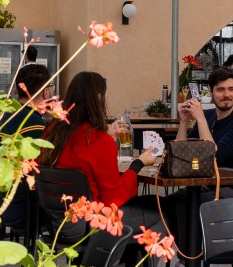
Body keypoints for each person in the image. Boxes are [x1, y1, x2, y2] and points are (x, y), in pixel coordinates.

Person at [164, 67, 233, 267]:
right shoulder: (207, 117)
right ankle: (189, 259)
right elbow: (180, 151)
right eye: (221, 90)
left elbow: (214, 155)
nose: (227, 95)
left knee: (191, 204)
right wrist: (184, 122)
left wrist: (200, 120)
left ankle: (195, 262)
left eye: (231, 89)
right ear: (211, 92)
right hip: (208, 186)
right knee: (170, 203)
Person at [38, 71, 159, 232]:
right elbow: (114, 198)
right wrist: (138, 164)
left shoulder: (51, 132)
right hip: (92, 223)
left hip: (54, 221)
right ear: (99, 98)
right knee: (164, 209)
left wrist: (108, 139)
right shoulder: (98, 140)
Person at [0, 63, 56, 229]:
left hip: (3, 202)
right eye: (51, 87)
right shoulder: (34, 124)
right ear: (46, 92)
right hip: (25, 208)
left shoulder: (6, 116)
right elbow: (42, 168)